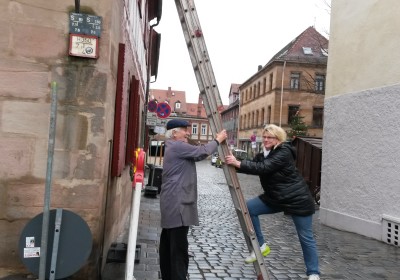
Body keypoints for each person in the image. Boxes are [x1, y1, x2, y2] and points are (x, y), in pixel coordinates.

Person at [225, 124, 320, 280]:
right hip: (275, 197)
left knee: (305, 237)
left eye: (271, 137)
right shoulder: (264, 154)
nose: (267, 139)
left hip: (297, 199)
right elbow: (253, 166)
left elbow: (264, 168)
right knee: (249, 208)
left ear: (278, 139)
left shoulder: (284, 152)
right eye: (265, 136)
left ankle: (313, 273)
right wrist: (231, 163)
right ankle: (261, 246)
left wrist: (238, 163)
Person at [159, 119, 227, 280]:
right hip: (178, 204)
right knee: (179, 247)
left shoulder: (174, 146)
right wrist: (218, 139)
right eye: (184, 130)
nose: (188, 132)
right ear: (174, 133)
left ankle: (168, 275)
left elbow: (196, 155)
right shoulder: (177, 146)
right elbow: (201, 152)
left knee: (169, 243)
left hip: (173, 201)